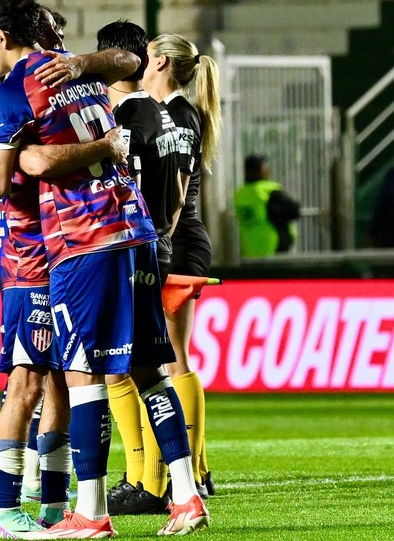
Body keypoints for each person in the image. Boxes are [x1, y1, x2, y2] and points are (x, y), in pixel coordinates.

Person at [0, 0, 209, 537]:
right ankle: (188, 496)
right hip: (138, 230)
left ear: (1, 35)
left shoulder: (7, 96)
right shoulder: (77, 71)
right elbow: (127, 61)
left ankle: (90, 510)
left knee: (83, 375)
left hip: (83, 241)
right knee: (149, 371)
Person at [94, 19, 191, 516]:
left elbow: (116, 193)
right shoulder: (165, 117)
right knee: (149, 365)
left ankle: (145, 479)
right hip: (157, 246)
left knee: (121, 368)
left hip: (128, 251)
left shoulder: (126, 122)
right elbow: (175, 195)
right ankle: (164, 482)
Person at [141, 32, 223, 503]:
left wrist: (159, 242)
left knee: (171, 357)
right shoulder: (182, 113)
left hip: (177, 241)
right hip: (185, 239)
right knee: (172, 355)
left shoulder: (175, 115)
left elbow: (172, 196)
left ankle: (185, 469)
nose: (143, 64)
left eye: (150, 56)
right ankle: (198, 467)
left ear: (163, 63)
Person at [234, 154, 301, 258]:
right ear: (260, 170)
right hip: (272, 250)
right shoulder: (267, 191)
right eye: (265, 168)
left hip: (249, 252)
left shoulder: (239, 194)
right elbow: (294, 211)